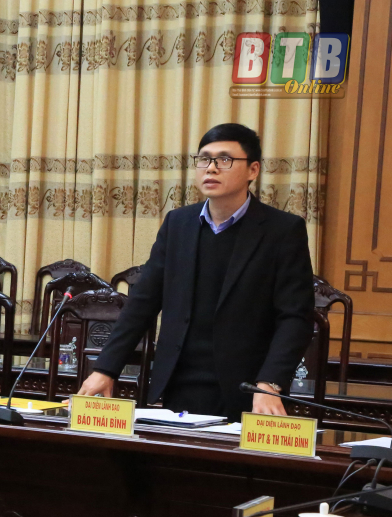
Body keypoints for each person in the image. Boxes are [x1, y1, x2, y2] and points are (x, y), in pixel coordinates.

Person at [77, 123, 314, 421]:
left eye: (225, 159)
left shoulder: (282, 231)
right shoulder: (178, 223)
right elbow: (143, 303)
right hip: (178, 382)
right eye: (204, 159)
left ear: (253, 170)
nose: (211, 168)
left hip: (248, 388)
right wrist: (105, 368)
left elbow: (295, 317)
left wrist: (270, 383)